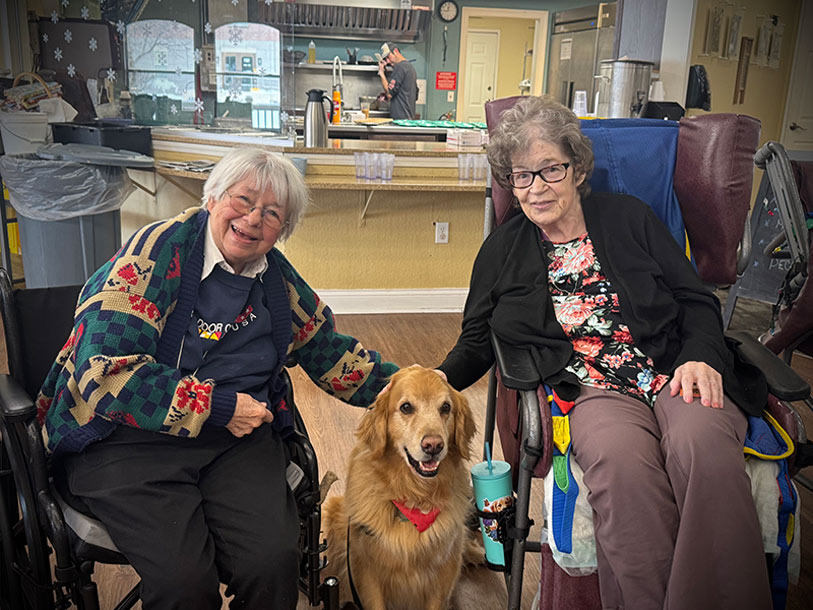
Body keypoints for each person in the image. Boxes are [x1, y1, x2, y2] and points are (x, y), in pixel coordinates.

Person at [436, 96, 772, 610]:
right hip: (594, 389)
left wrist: (701, 356)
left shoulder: (629, 217)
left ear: (576, 168)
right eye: (522, 176)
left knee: (703, 446)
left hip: (674, 368)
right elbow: (477, 339)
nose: (536, 187)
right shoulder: (501, 250)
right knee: (621, 468)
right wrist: (435, 380)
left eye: (550, 169)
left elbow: (695, 299)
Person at [38, 147, 398, 610]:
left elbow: (329, 352)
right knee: (184, 583)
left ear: (283, 229)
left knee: (273, 562)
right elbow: (105, 372)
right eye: (243, 200)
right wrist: (219, 407)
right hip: (127, 440)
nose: (253, 219)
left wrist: (416, 388)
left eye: (272, 213)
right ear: (212, 197)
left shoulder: (276, 279)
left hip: (234, 442)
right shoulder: (153, 255)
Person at [378, 42, 418, 120]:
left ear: (395, 51)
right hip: (409, 117)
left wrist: (381, 73)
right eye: (386, 59)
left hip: (400, 119)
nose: (388, 61)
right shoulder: (410, 67)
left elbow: (389, 94)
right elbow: (415, 95)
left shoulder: (399, 67)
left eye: (388, 57)